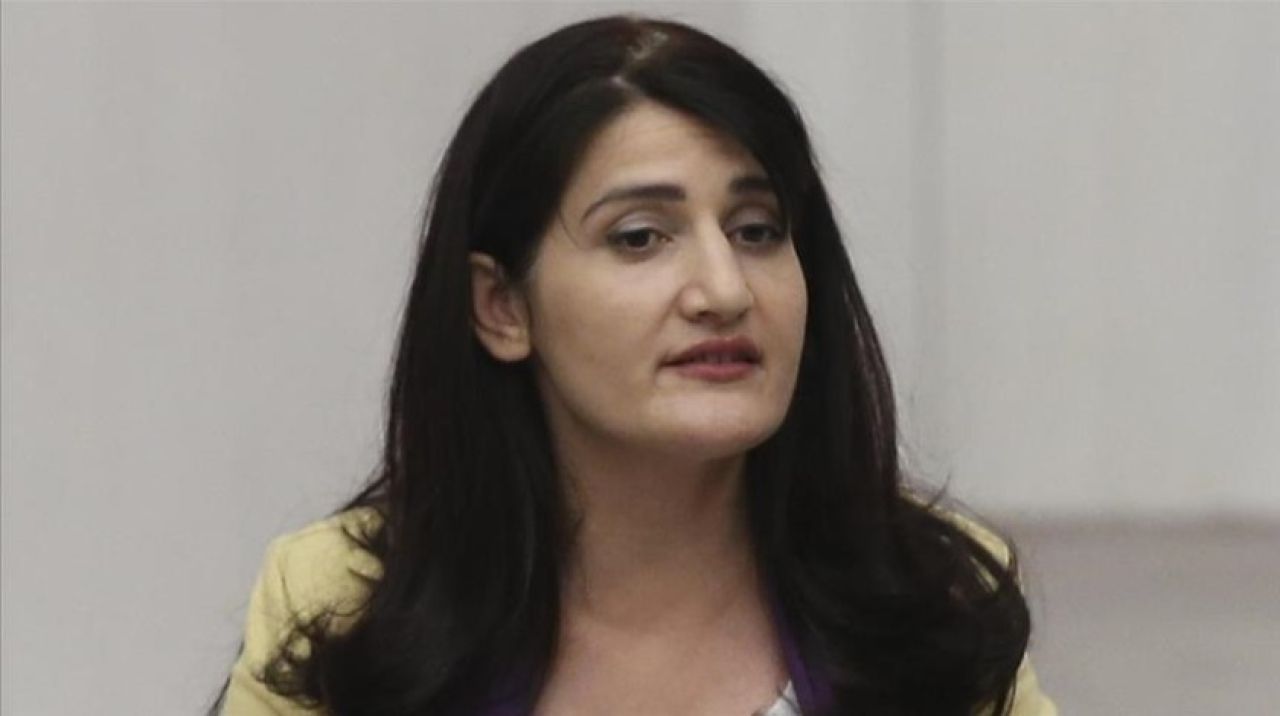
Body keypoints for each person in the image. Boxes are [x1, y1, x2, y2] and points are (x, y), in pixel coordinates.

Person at [213, 14, 1055, 716]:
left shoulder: (926, 603)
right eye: (641, 237)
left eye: (756, 231)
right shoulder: (350, 604)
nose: (723, 290)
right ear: (501, 306)